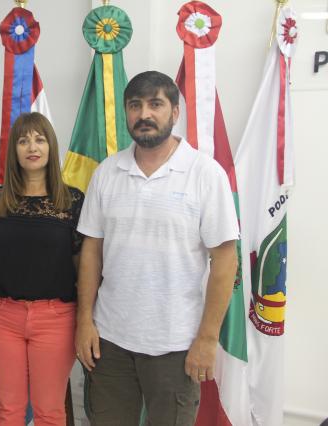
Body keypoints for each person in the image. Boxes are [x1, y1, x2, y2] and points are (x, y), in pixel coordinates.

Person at [75, 71, 239, 425]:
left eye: (155, 104)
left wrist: (207, 338)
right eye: (135, 105)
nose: (144, 114)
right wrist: (84, 321)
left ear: (175, 112)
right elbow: (91, 251)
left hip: (176, 345)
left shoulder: (205, 174)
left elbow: (225, 259)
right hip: (110, 341)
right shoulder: (106, 172)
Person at [0, 112, 84, 426]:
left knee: (49, 410)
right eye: (23, 141)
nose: (32, 147)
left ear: (51, 147)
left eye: (39, 139)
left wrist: (87, 319)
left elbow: (83, 267)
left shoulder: (72, 202)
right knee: (8, 409)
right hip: (2, 317)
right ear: (14, 151)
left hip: (56, 319)